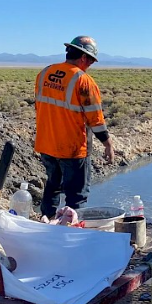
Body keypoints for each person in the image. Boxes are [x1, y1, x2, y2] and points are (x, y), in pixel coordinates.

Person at [34, 36, 115, 218]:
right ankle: (72, 229)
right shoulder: (83, 81)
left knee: (53, 186)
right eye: (91, 61)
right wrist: (107, 144)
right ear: (84, 57)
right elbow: (95, 119)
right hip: (72, 149)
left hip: (46, 144)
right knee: (77, 196)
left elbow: (40, 107)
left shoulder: (45, 73)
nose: (90, 65)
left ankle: (47, 222)